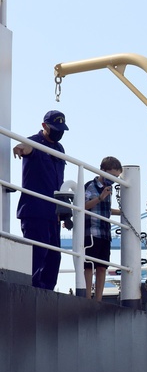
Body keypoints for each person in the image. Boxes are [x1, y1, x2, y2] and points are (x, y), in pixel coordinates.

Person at [13, 110, 69, 290]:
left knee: (54, 256)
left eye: (61, 129)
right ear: (44, 126)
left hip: (53, 213)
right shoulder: (34, 142)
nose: (59, 132)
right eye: (55, 128)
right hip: (35, 209)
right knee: (37, 252)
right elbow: (27, 147)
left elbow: (61, 183)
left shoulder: (60, 149)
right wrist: (21, 147)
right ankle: (30, 288)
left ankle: (46, 292)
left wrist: (65, 212)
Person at [83, 157, 123, 300]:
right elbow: (83, 205)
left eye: (116, 177)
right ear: (102, 171)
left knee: (102, 266)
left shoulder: (108, 189)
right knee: (89, 265)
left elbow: (103, 209)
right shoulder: (90, 186)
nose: (113, 179)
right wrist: (101, 197)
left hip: (105, 233)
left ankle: (98, 298)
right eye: (111, 176)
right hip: (92, 231)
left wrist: (120, 212)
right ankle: (88, 296)